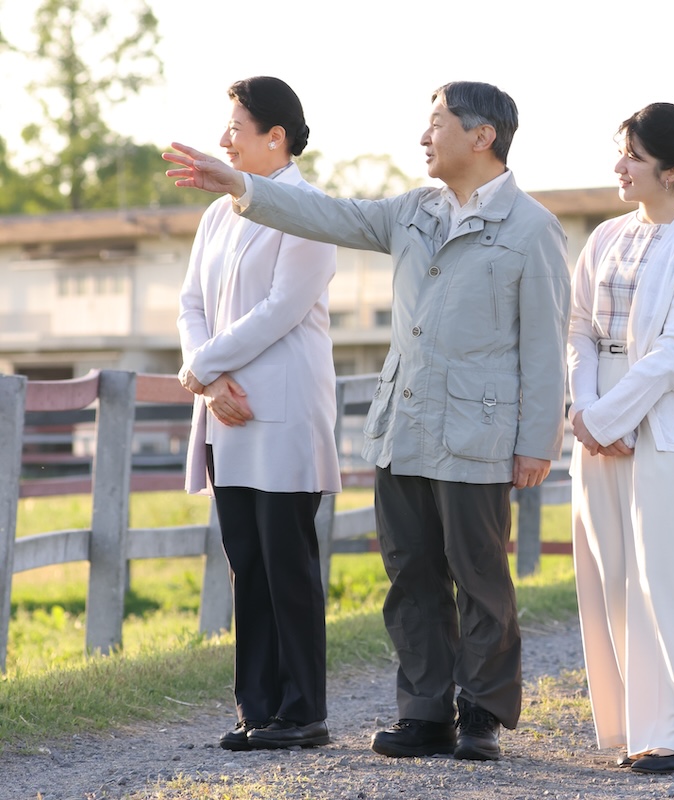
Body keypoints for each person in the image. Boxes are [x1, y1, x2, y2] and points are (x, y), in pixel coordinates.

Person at [164, 80, 570, 761]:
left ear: (482, 136)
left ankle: (481, 714)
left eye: (436, 122)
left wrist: (538, 442)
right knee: (410, 577)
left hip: (479, 434)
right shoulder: (410, 211)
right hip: (404, 429)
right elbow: (330, 216)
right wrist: (239, 182)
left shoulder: (532, 229)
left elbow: (544, 346)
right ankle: (425, 713)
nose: (423, 136)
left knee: (478, 578)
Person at [176, 76, 340, 752]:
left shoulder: (308, 210)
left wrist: (204, 368)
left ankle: (303, 713)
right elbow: (190, 303)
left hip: (281, 409)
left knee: (287, 561)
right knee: (246, 560)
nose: (222, 143)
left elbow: (282, 309)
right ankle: (258, 709)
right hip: (225, 409)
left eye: (235, 130)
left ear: (276, 136)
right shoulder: (218, 215)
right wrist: (207, 380)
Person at [567, 102, 674, 774]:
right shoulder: (605, 237)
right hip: (598, 427)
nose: (620, 167)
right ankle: (633, 729)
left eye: (633, 156)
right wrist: (585, 413)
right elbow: (577, 329)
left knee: (668, 585)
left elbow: (673, 353)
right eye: (621, 153)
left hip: (665, 433)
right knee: (609, 582)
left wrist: (609, 420)